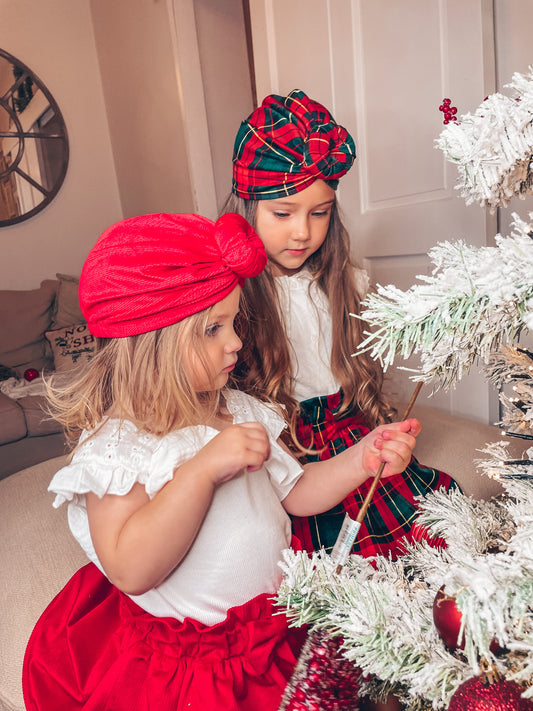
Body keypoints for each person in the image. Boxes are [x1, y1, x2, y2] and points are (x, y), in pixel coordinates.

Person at [22, 212, 420, 711]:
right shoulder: (119, 447)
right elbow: (131, 568)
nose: (235, 341)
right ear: (153, 345)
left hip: (273, 626)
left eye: (233, 322)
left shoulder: (237, 409)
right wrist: (201, 471)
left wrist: (362, 458)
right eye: (213, 329)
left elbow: (295, 493)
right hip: (199, 662)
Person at [222, 89, 458, 560]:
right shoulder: (233, 293)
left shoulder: (346, 279)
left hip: (349, 427)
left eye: (320, 212)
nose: (303, 231)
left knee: (415, 533)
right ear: (249, 208)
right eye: (282, 213)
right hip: (284, 444)